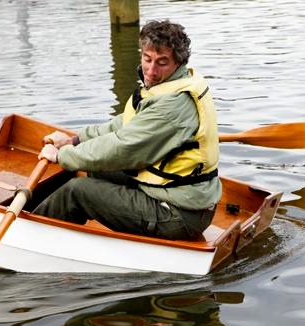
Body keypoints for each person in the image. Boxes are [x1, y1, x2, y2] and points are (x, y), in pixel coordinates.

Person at [34, 19, 221, 240]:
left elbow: (123, 148)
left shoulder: (172, 106)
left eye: (162, 62)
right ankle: (56, 225)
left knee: (76, 191)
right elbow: (126, 123)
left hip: (179, 215)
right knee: (97, 169)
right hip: (178, 196)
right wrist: (75, 141)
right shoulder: (172, 85)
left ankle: (28, 239)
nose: (151, 70)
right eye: (147, 59)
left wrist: (62, 156)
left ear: (178, 63)